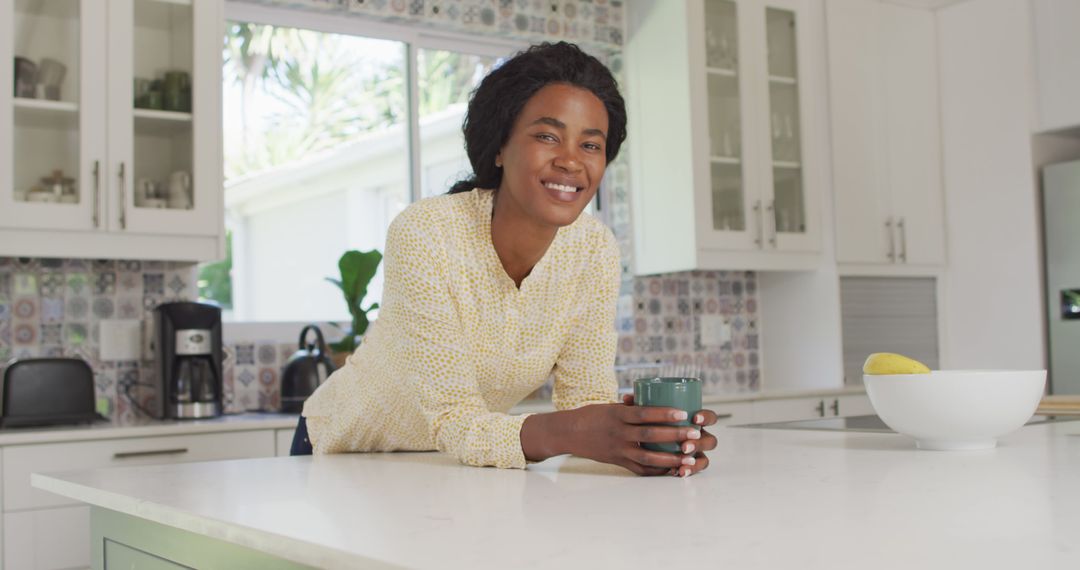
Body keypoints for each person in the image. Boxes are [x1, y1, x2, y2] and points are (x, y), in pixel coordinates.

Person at [293, 41, 719, 477]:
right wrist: (569, 432)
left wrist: (640, 443)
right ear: (500, 147)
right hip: (342, 458)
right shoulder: (427, 233)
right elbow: (453, 419)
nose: (571, 161)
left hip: (453, 466)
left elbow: (585, 401)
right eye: (547, 136)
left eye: (591, 145)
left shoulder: (594, 250)